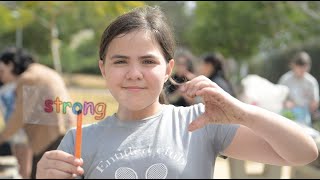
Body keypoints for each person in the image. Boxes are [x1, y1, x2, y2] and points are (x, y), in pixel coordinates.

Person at [36, 6, 318, 179]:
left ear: (168, 68)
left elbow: (303, 152)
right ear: (103, 68)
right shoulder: (79, 139)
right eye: (120, 61)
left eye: (148, 61)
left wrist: (242, 112)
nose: (134, 73)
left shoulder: (200, 123)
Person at [0, 47, 76, 179]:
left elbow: (19, 117)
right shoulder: (44, 71)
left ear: (11, 65)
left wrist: (1, 138)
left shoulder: (28, 78)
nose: (0, 76)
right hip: (66, 132)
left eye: (1, 71)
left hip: (50, 138)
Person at [278, 51, 319, 127]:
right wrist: (286, 103)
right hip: (287, 115)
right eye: (300, 69)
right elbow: (278, 98)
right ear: (293, 65)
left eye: (305, 69)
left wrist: (312, 106)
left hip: (305, 117)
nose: (302, 72)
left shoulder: (311, 82)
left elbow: (315, 101)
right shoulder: (285, 79)